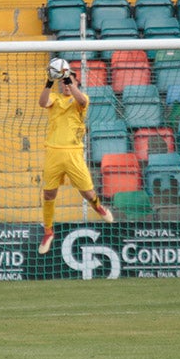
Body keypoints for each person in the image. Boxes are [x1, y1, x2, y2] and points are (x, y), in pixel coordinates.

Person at [37, 67, 114, 255]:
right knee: (48, 194)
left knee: (87, 193)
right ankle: (48, 231)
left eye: (69, 81)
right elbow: (42, 102)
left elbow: (80, 99)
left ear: (76, 83)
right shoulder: (55, 99)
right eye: (63, 82)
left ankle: (97, 206)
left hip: (73, 153)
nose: (66, 85)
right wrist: (49, 81)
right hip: (53, 153)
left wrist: (70, 80)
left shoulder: (81, 99)